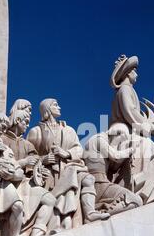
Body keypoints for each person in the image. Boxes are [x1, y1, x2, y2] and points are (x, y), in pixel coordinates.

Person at [27, 98, 109, 229]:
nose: (59, 107)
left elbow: (78, 148)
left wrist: (67, 153)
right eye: (55, 105)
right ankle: (59, 224)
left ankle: (90, 213)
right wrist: (44, 159)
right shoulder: (36, 131)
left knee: (88, 178)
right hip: (49, 174)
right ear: (47, 109)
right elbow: (29, 156)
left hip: (68, 167)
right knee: (56, 201)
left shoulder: (68, 129)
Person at [110, 55, 154, 204]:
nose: (137, 74)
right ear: (128, 72)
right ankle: (145, 191)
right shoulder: (124, 90)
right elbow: (130, 112)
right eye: (135, 71)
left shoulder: (129, 90)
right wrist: (152, 127)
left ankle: (152, 191)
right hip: (125, 135)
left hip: (134, 133)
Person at [2, 109, 56, 236]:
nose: (27, 126)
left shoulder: (28, 145)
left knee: (50, 199)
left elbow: (36, 165)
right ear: (17, 121)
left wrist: (40, 171)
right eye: (25, 122)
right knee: (17, 207)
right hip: (7, 184)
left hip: (25, 183)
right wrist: (24, 162)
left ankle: (36, 233)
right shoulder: (2, 140)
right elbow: (1, 165)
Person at [84, 123, 143, 215]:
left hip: (102, 183)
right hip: (97, 183)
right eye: (120, 141)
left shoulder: (105, 142)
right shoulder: (98, 139)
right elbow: (115, 156)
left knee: (136, 200)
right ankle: (103, 215)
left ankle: (102, 213)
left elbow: (114, 166)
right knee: (134, 200)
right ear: (117, 133)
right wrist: (132, 149)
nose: (119, 144)